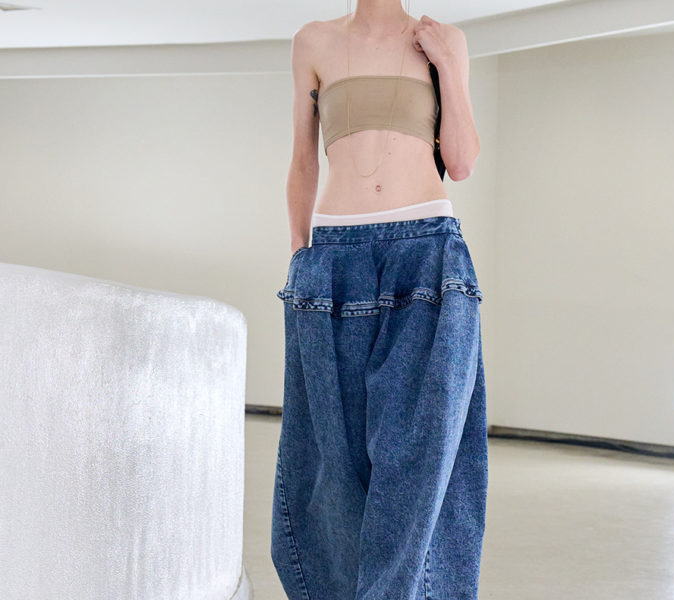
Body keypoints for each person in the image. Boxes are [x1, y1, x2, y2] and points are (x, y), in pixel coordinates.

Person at [271, 1, 488, 598]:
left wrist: (447, 65)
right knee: (329, 463)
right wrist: (300, 256)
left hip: (426, 252)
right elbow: (302, 161)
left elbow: (462, 161)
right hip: (333, 259)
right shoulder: (312, 41)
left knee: (418, 458)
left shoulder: (443, 40)